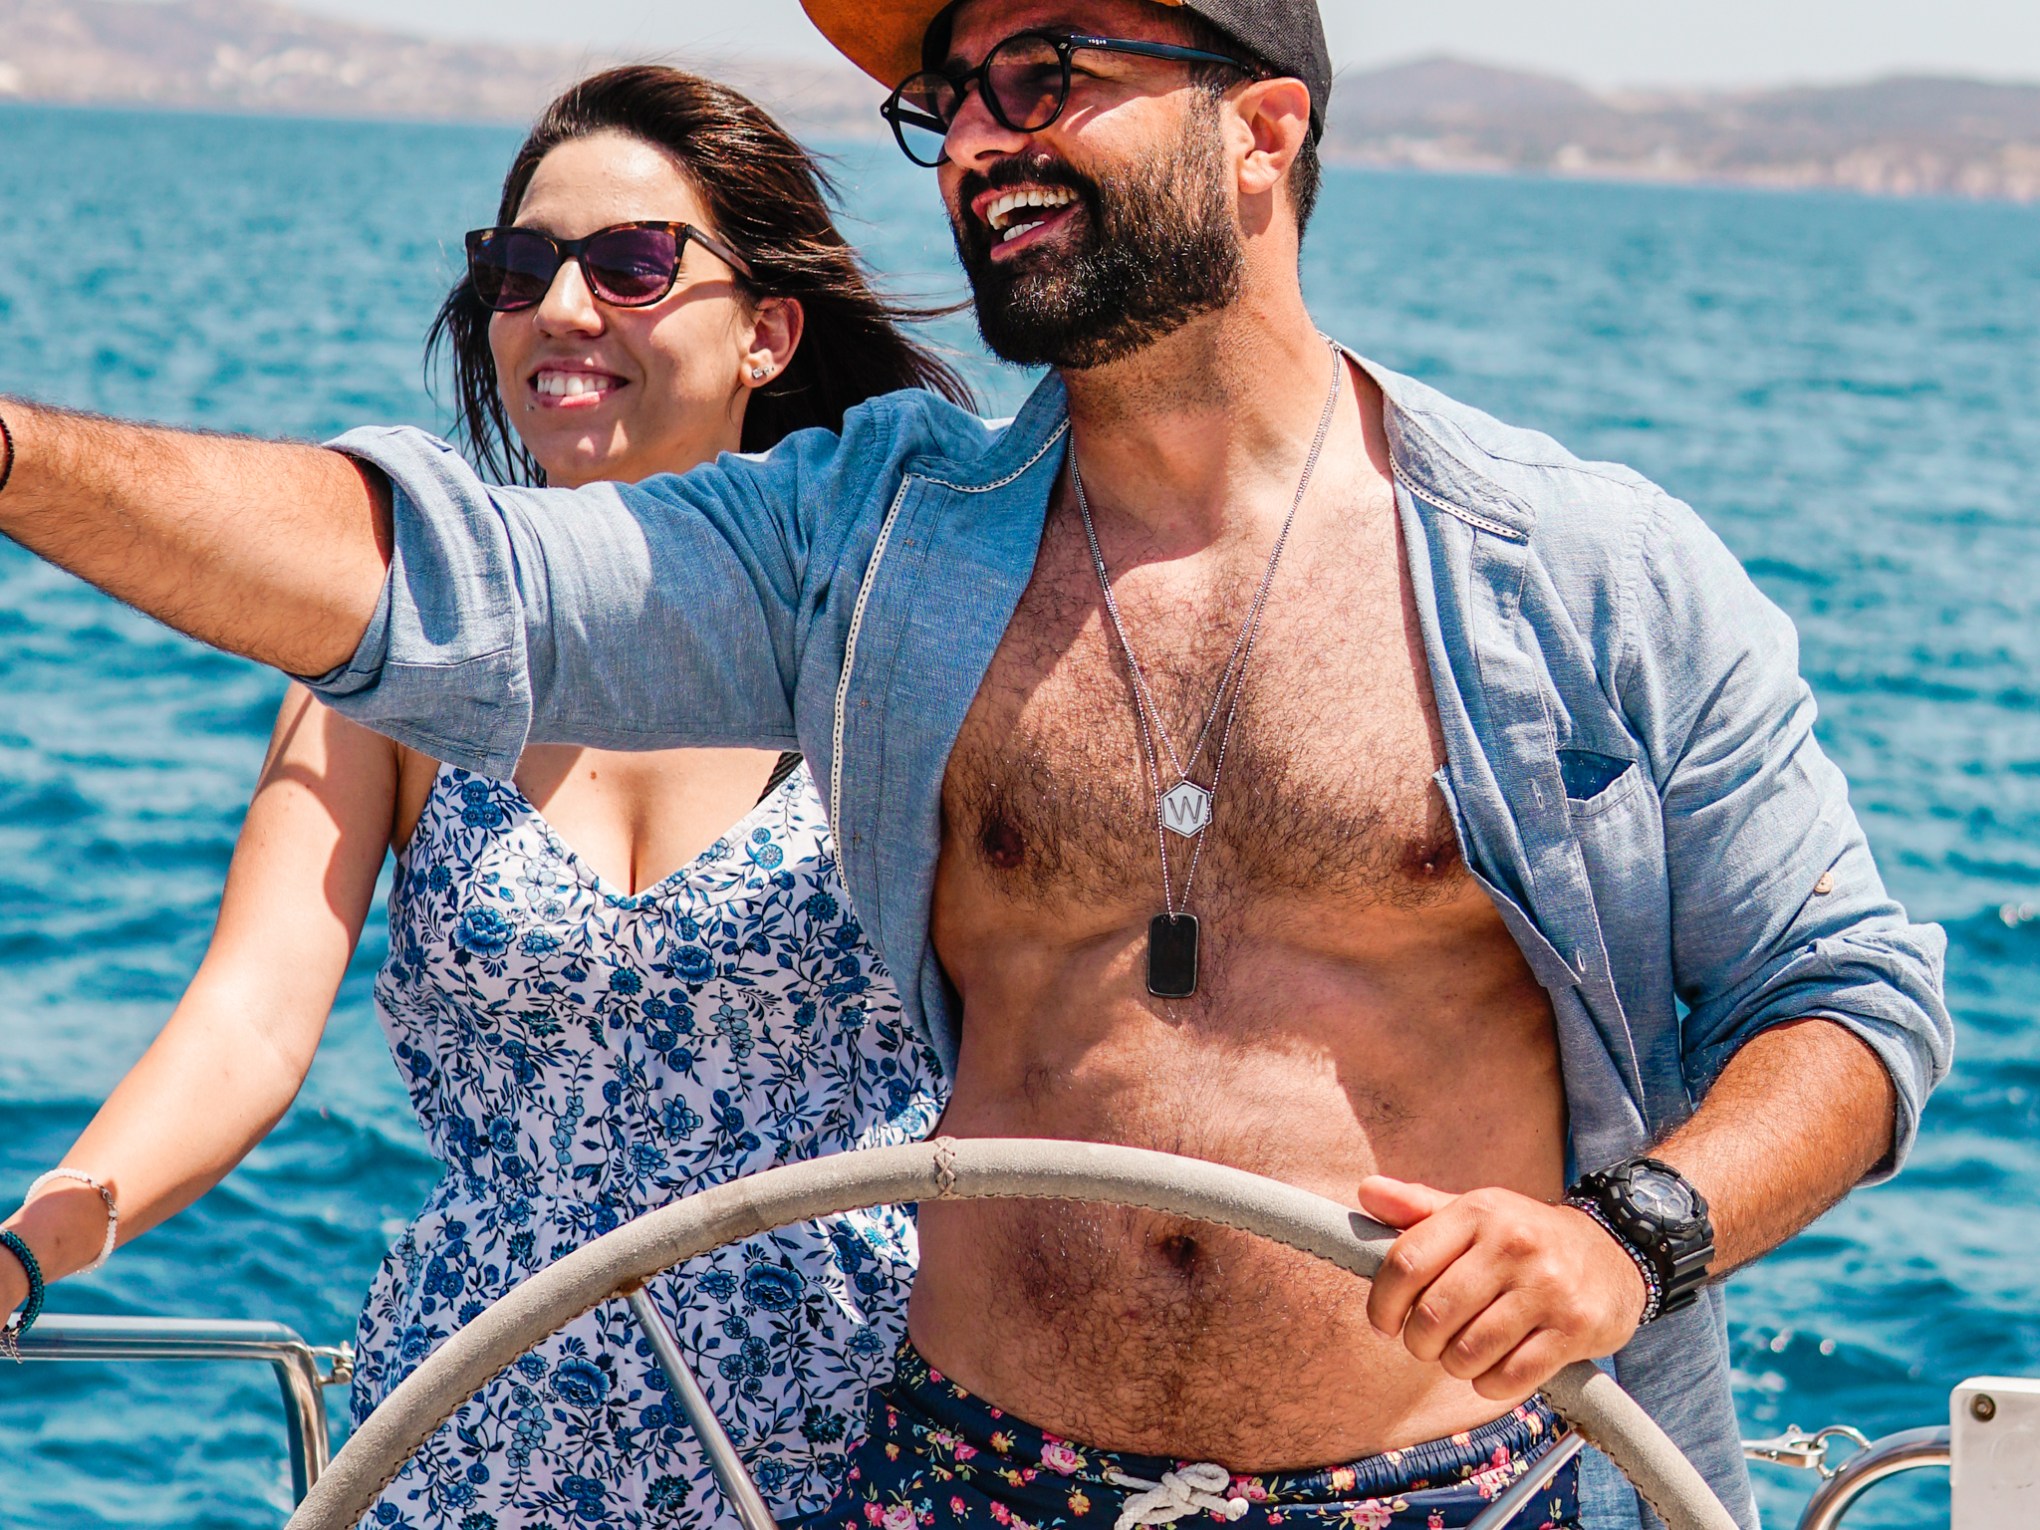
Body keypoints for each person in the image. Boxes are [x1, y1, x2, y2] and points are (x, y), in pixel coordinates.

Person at [0, 2, 1954, 1528]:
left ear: (1265, 123)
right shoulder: (873, 545)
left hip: (1451, 1494)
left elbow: (1850, 1009)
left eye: (1049, 70)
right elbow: (459, 576)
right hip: (963, 1481)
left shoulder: (1587, 577)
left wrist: (1631, 1242)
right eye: (956, 98)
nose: (987, 136)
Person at [0, 64, 975, 1530]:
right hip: (466, 1432)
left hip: (827, 1448)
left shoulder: (888, 641)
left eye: (634, 263)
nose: (564, 311)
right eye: (522, 269)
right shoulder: (393, 671)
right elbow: (255, 1019)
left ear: (769, 331)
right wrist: (32, 1244)